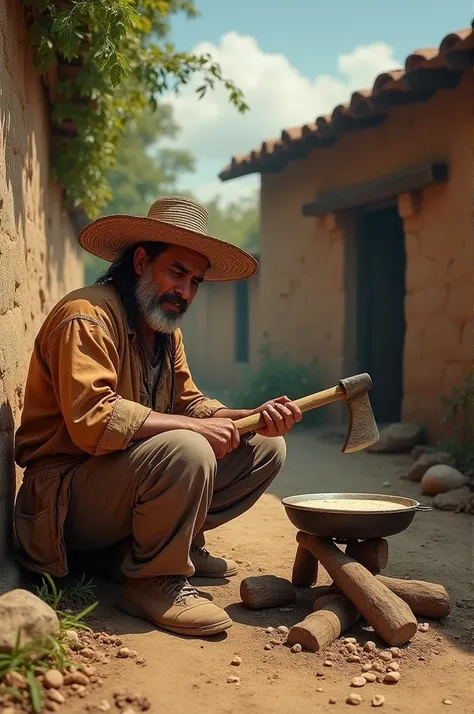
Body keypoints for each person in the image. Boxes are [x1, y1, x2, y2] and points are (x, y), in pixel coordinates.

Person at [14, 196, 302, 638]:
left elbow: (190, 403)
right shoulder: (86, 317)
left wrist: (248, 418)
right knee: (187, 448)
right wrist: (196, 428)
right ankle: (153, 580)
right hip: (64, 502)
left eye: (196, 282)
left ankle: (161, 547)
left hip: (116, 489)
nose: (185, 291)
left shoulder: (165, 330)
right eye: (177, 272)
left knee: (264, 447)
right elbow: (94, 418)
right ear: (142, 261)